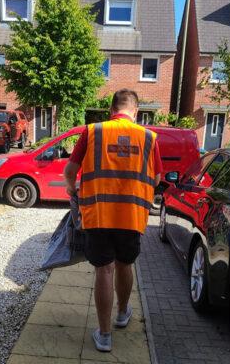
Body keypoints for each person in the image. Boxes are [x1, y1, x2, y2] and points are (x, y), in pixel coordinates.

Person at [63, 88, 163, 352]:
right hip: (132, 215)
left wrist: (73, 191)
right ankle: (122, 314)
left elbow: (70, 171)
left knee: (103, 270)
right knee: (124, 265)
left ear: (111, 110)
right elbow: (157, 179)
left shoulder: (93, 131)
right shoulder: (150, 137)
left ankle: (104, 335)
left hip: (98, 214)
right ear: (137, 112)